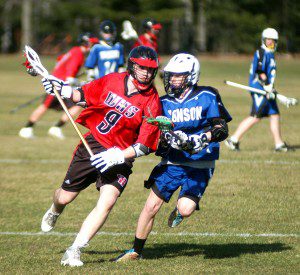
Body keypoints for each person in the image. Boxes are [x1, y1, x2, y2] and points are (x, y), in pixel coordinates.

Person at [39, 46, 162, 267]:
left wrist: (118, 156)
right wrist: (63, 89)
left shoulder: (153, 101)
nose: (146, 73)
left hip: (121, 156)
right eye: (141, 68)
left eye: (150, 70)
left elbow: (145, 145)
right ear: (132, 65)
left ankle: (74, 250)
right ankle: (55, 210)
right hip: (93, 145)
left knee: (107, 201)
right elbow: (84, 96)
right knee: (65, 197)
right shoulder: (112, 80)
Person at [113, 53, 232, 261]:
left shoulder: (207, 95)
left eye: (178, 76)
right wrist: (167, 140)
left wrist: (202, 138)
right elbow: (153, 135)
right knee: (151, 205)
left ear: (191, 76)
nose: (172, 80)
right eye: (171, 76)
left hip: (200, 164)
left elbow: (221, 128)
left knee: (186, 209)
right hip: (173, 162)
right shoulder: (163, 102)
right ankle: (135, 251)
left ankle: (179, 211)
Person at [19, 33, 98, 139]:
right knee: (48, 106)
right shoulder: (78, 54)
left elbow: (60, 62)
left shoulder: (74, 50)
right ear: (87, 43)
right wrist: (83, 83)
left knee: (73, 106)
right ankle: (28, 129)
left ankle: (51, 128)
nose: (94, 46)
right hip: (58, 84)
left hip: (57, 81)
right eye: (92, 44)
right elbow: (69, 78)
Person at [225, 28, 291, 152]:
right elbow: (260, 71)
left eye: (273, 41)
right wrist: (267, 86)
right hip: (259, 89)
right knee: (256, 116)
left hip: (267, 89)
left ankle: (279, 144)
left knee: (274, 115)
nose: (271, 43)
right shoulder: (262, 52)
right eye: (268, 40)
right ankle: (233, 140)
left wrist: (271, 88)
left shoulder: (270, 53)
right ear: (263, 40)